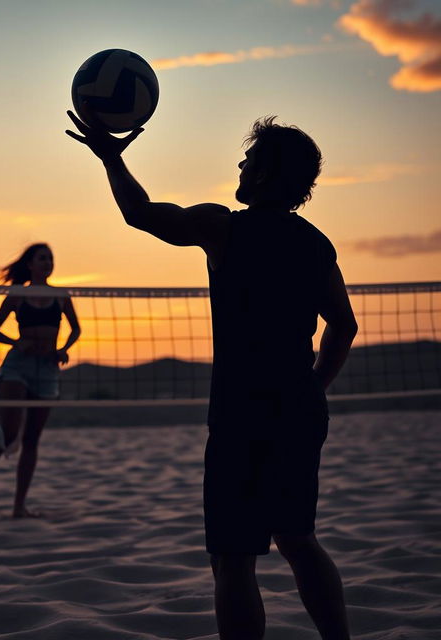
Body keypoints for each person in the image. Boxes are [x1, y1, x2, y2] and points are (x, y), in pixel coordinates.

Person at [66, 112, 357, 640]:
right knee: (298, 539)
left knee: (233, 560)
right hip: (298, 408)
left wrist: (111, 157)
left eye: (247, 160)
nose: (239, 167)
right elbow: (344, 326)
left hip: (242, 414)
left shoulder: (222, 225)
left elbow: (140, 213)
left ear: (264, 174)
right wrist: (314, 388)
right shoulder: (316, 243)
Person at [0, 243, 81, 518]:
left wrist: (64, 349)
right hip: (18, 365)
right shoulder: (17, 294)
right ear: (30, 264)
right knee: (8, 433)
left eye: (51, 258)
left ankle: (19, 506)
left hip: (48, 368)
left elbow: (76, 328)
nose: (48, 262)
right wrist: (18, 342)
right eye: (43, 258)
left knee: (32, 440)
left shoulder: (61, 295)